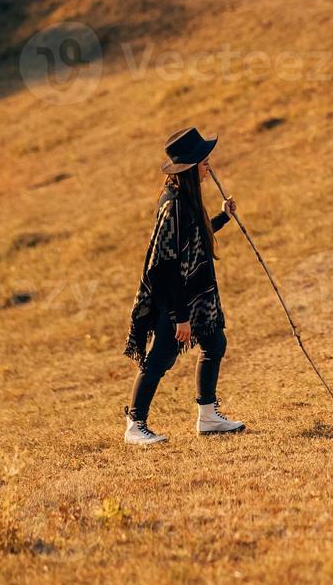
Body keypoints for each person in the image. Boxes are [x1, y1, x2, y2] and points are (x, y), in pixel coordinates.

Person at [122, 127, 246, 445]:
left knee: (214, 344)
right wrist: (180, 317)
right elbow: (164, 267)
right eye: (204, 161)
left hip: (197, 297)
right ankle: (135, 425)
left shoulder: (187, 200)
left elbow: (194, 241)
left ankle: (208, 416)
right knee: (160, 358)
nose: (209, 166)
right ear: (191, 167)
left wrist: (221, 218)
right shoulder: (173, 206)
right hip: (176, 300)